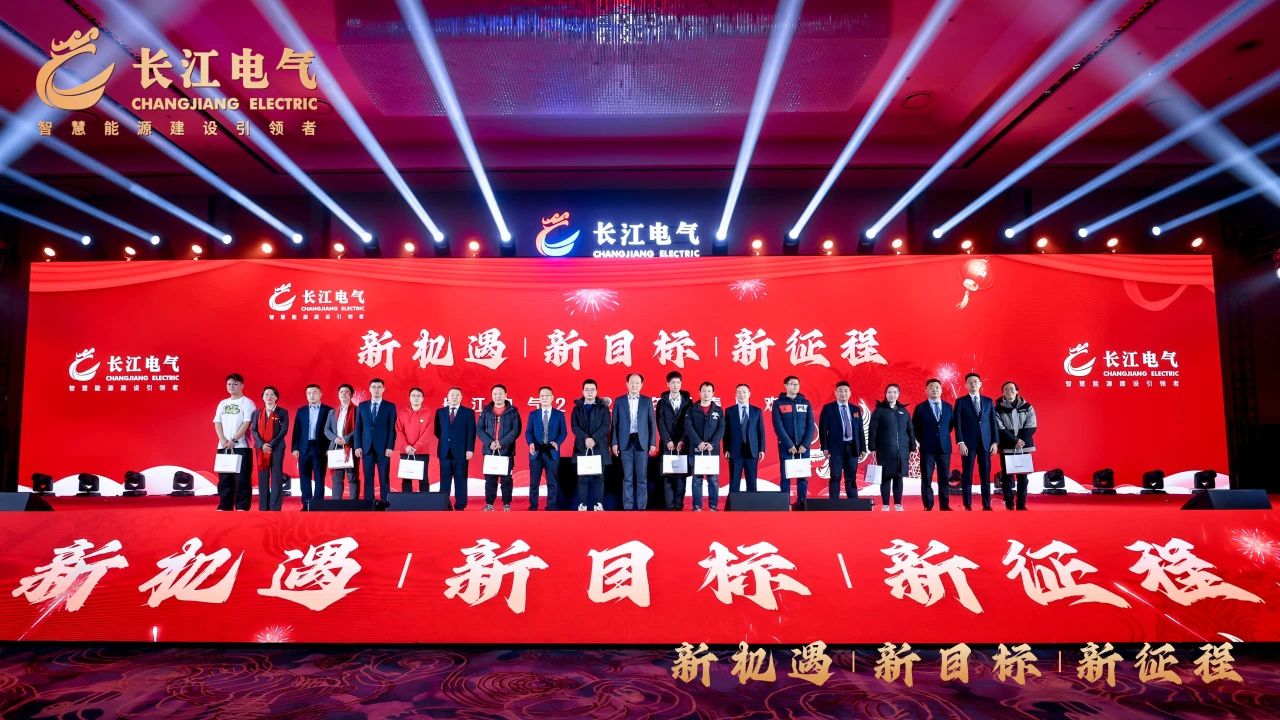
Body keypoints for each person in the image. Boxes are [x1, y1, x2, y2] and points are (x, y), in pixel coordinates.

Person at [954, 372, 999, 511]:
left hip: (986, 443)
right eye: (970, 382)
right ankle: (967, 505)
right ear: (966, 385)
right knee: (967, 474)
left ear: (980, 384)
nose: (973, 384)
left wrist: (995, 442)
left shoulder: (988, 401)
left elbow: (993, 423)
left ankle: (986, 504)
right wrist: (960, 442)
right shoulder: (961, 402)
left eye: (975, 381)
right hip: (968, 444)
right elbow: (957, 424)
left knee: (985, 475)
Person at [611, 373, 656, 510]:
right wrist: (614, 443)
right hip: (625, 442)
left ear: (641, 385)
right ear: (627, 384)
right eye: (632, 382)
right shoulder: (619, 401)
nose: (634, 385)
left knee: (642, 478)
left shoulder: (647, 401)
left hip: (642, 442)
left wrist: (652, 443)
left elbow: (651, 423)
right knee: (628, 477)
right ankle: (628, 507)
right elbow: (615, 424)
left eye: (637, 383)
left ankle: (641, 507)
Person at [213, 373, 256, 511]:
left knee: (242, 479)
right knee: (224, 478)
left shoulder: (247, 402)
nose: (232, 386)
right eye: (229, 384)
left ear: (242, 386)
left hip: (241, 446)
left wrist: (234, 439)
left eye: (235, 384)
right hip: (223, 446)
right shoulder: (223, 403)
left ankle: (242, 506)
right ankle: (225, 505)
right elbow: (217, 422)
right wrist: (223, 439)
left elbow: (247, 422)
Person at [868, 384, 915, 512]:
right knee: (885, 478)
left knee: (898, 478)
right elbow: (873, 430)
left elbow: (910, 430)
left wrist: (912, 447)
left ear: (898, 394)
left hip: (902, 451)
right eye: (889, 392)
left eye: (894, 392)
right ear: (885, 394)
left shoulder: (904, 411)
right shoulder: (879, 411)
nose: (892, 395)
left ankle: (898, 504)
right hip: (885, 450)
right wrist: (872, 448)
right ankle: (885, 505)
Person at [818, 381, 866, 499]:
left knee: (851, 477)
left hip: (853, 447)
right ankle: (834, 503)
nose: (843, 393)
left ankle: (853, 503)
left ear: (850, 393)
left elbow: (860, 430)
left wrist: (863, 448)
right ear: (835, 393)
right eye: (840, 391)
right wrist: (825, 447)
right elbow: (823, 429)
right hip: (835, 448)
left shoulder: (855, 409)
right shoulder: (829, 408)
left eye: (845, 391)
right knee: (835, 476)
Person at [912, 378, 954, 511]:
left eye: (937, 387)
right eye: (931, 387)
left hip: (944, 447)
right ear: (926, 390)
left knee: (944, 478)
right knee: (926, 478)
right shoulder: (920, 408)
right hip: (927, 448)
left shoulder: (948, 407)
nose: (934, 389)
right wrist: (924, 440)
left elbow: (949, 426)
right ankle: (928, 505)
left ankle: (944, 505)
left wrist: (941, 437)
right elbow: (915, 428)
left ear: (941, 390)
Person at [994, 381, 1037, 511]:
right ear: (1003, 392)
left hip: (1024, 446)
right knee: (1007, 477)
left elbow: (1031, 425)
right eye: (1006, 389)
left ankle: (1021, 504)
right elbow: (999, 427)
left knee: (1023, 477)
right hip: (1007, 446)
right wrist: (1014, 440)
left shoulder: (1027, 407)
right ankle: (1009, 503)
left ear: (1017, 391)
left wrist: (1020, 440)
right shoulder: (998, 408)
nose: (1009, 391)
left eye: (1012, 389)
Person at [772, 375, 815, 505]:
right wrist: (789, 444)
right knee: (785, 475)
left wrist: (805, 444)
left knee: (802, 476)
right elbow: (778, 426)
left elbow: (810, 425)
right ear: (785, 386)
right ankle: (785, 502)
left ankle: (801, 501)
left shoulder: (806, 403)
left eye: (797, 384)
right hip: (786, 447)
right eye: (792, 384)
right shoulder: (778, 403)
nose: (795, 386)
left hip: (803, 447)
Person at [479, 384, 521, 511]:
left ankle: (506, 504)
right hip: (490, 450)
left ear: (505, 395)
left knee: (506, 480)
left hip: (506, 450)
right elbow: (479, 429)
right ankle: (489, 504)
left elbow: (516, 430)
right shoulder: (486, 410)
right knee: (490, 479)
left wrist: (501, 442)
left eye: (500, 393)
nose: (497, 396)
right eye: (495, 394)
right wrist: (489, 443)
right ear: (492, 395)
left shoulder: (513, 411)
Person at [684, 381, 725, 511]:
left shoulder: (718, 410)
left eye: (709, 391)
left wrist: (712, 443)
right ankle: (697, 506)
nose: (706, 393)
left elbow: (721, 429)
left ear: (713, 393)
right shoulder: (692, 409)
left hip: (712, 451)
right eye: (704, 391)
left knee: (713, 480)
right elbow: (688, 427)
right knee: (697, 480)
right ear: (699, 392)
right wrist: (699, 442)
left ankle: (713, 505)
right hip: (696, 450)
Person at [355, 377, 397, 503]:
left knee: (384, 478)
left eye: (379, 387)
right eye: (373, 387)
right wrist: (358, 446)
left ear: (383, 389)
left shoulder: (390, 406)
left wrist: (390, 446)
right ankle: (369, 503)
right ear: (369, 389)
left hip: (383, 449)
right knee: (368, 477)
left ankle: (386, 503)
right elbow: (358, 427)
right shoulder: (362, 406)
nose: (376, 389)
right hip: (366, 448)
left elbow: (392, 428)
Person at [290, 383, 331, 510]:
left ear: (320, 394)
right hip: (304, 447)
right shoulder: (301, 411)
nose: (311, 395)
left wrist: (329, 448)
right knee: (304, 476)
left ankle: (318, 504)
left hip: (320, 448)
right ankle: (307, 504)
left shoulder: (328, 410)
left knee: (319, 477)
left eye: (314, 393)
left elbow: (331, 430)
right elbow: (296, 430)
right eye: (309, 393)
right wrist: (295, 448)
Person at [655, 370, 692, 511]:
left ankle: (678, 505)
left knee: (681, 477)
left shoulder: (688, 402)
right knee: (668, 476)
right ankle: (669, 506)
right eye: (673, 382)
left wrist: (682, 440)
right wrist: (667, 440)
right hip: (667, 444)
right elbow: (660, 422)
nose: (675, 385)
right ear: (668, 384)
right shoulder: (662, 402)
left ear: (681, 384)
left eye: (678, 382)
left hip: (683, 444)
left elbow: (689, 423)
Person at [525, 386, 567, 510]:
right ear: (539, 398)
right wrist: (530, 443)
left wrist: (557, 442)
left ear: (552, 397)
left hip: (552, 451)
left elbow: (563, 432)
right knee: (534, 482)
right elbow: (528, 432)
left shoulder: (559, 414)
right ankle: (533, 505)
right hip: (536, 451)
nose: (544, 398)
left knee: (552, 481)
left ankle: (551, 505)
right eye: (542, 396)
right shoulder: (533, 414)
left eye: (547, 395)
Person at [571, 378, 610, 511]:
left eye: (592, 390)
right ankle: (582, 504)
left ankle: (598, 504)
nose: (589, 392)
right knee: (583, 477)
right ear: (583, 391)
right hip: (582, 447)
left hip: (599, 446)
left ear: (596, 391)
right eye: (587, 390)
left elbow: (606, 426)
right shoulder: (577, 408)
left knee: (599, 477)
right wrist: (585, 439)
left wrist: (593, 439)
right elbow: (574, 426)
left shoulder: (603, 407)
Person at [434, 387, 476, 510]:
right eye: (452, 395)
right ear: (447, 397)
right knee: (444, 480)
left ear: (461, 397)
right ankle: (443, 504)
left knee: (461, 480)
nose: (454, 397)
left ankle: (460, 505)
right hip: (444, 451)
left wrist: (470, 449)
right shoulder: (440, 412)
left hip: (461, 452)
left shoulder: (468, 412)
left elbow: (471, 432)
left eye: (457, 395)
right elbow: (438, 431)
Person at [250, 386, 289, 511]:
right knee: (263, 476)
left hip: (277, 447)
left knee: (276, 476)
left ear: (276, 397)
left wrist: (271, 444)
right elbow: (254, 430)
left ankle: (275, 506)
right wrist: (262, 444)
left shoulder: (282, 412)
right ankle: (263, 506)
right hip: (261, 448)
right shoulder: (256, 413)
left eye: (272, 394)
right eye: (266, 394)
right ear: (262, 397)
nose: (269, 397)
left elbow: (284, 430)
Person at [724, 383, 765, 494]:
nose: (741, 394)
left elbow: (761, 432)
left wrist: (761, 449)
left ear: (749, 394)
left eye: (744, 392)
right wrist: (726, 449)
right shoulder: (729, 411)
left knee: (752, 481)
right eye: (739, 392)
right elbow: (726, 432)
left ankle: (752, 504)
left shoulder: (756, 411)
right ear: (735, 394)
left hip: (752, 451)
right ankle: (732, 504)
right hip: (735, 451)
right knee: (734, 481)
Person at [394, 387, 433, 493]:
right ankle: (407, 501)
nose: (416, 398)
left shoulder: (428, 413)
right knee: (406, 479)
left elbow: (428, 432)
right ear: (409, 398)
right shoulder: (402, 413)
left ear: (423, 398)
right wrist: (406, 446)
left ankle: (424, 501)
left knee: (423, 479)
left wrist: (416, 446)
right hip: (405, 451)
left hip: (422, 452)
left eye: (419, 396)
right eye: (413, 396)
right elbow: (398, 431)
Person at [324, 383, 359, 500]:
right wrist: (335, 439)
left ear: (351, 395)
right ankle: (336, 504)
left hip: (351, 446)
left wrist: (346, 438)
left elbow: (359, 428)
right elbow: (326, 429)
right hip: (335, 447)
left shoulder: (358, 410)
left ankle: (354, 504)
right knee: (337, 479)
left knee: (352, 477)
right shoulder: (332, 412)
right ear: (338, 395)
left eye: (346, 392)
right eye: (341, 392)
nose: (343, 394)